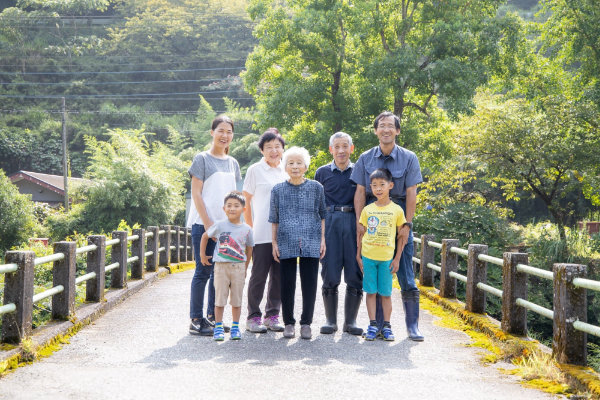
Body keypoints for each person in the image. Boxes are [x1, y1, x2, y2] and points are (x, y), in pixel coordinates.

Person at [351, 111, 424, 341]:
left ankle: (412, 326)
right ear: (375, 130)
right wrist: (359, 224)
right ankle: (379, 324)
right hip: (373, 220)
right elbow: (360, 192)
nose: (385, 129)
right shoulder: (365, 158)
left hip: (398, 215)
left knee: (406, 275)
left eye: (390, 126)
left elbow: (412, 193)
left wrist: (407, 225)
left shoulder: (409, 157)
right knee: (377, 270)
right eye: (381, 126)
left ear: (397, 130)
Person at [187, 115, 242, 336]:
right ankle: (195, 320)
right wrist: (210, 225)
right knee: (202, 271)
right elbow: (196, 194)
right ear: (212, 132)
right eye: (221, 130)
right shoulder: (201, 159)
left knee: (218, 274)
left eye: (229, 132)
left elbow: (237, 196)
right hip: (204, 225)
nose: (225, 135)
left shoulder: (233, 163)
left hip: (226, 228)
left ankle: (213, 318)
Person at [269, 146, 326, 340]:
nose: (295, 166)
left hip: (311, 240)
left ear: (306, 166)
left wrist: (323, 240)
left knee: (310, 284)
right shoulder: (277, 190)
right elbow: (274, 219)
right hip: (286, 240)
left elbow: (323, 215)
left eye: (299, 163)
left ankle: (306, 323)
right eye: (291, 163)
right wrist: (274, 243)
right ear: (285, 167)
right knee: (287, 284)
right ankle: (289, 323)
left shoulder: (317, 187)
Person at [314, 132, 363, 336]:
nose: (341, 150)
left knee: (355, 271)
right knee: (330, 270)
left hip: (353, 221)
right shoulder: (322, 173)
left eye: (345, 146)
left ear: (351, 149)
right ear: (330, 149)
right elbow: (315, 205)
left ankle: (350, 322)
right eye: (337, 146)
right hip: (330, 222)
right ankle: (330, 320)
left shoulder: (360, 171)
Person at [243, 129, 287, 333]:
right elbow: (246, 201)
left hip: (284, 234)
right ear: (262, 150)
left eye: (277, 147)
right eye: (269, 147)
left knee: (279, 276)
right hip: (260, 233)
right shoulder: (254, 170)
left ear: (283, 149)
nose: (273, 150)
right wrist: (249, 228)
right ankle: (253, 317)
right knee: (258, 275)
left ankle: (272, 315)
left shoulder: (288, 169)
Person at [356, 168, 407, 341]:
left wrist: (397, 257)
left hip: (386, 259)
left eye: (382, 185)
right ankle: (372, 325)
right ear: (371, 187)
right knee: (370, 292)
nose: (378, 188)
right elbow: (360, 234)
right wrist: (358, 256)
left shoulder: (397, 210)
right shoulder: (367, 210)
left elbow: (402, 237)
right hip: (368, 256)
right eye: (375, 185)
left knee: (386, 294)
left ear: (390, 185)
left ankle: (386, 326)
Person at [200, 192, 254, 341]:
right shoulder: (220, 225)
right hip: (220, 267)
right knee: (219, 299)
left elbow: (250, 248)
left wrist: (246, 266)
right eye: (229, 205)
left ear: (243, 209)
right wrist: (202, 256)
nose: (232, 208)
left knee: (236, 299)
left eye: (236, 205)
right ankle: (218, 327)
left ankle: (235, 327)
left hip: (238, 267)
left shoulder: (247, 229)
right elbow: (205, 236)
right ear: (224, 208)